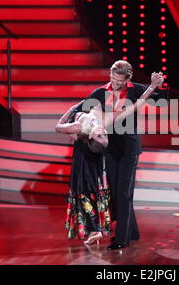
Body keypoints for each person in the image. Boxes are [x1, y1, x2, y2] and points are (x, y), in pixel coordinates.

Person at [72, 60, 168, 250]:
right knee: (116, 192)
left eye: (120, 81)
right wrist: (76, 128)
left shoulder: (136, 90)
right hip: (108, 146)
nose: (116, 83)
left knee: (123, 190)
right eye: (114, 79)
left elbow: (162, 102)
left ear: (128, 79)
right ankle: (131, 231)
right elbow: (80, 111)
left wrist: (157, 85)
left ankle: (122, 238)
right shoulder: (100, 93)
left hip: (129, 146)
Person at [55, 102, 111, 245]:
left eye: (101, 135)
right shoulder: (98, 122)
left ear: (92, 137)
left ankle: (95, 230)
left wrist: (72, 109)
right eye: (104, 134)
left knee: (86, 194)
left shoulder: (79, 127)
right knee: (87, 193)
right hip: (88, 161)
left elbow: (59, 126)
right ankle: (94, 230)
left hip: (87, 163)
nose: (103, 131)